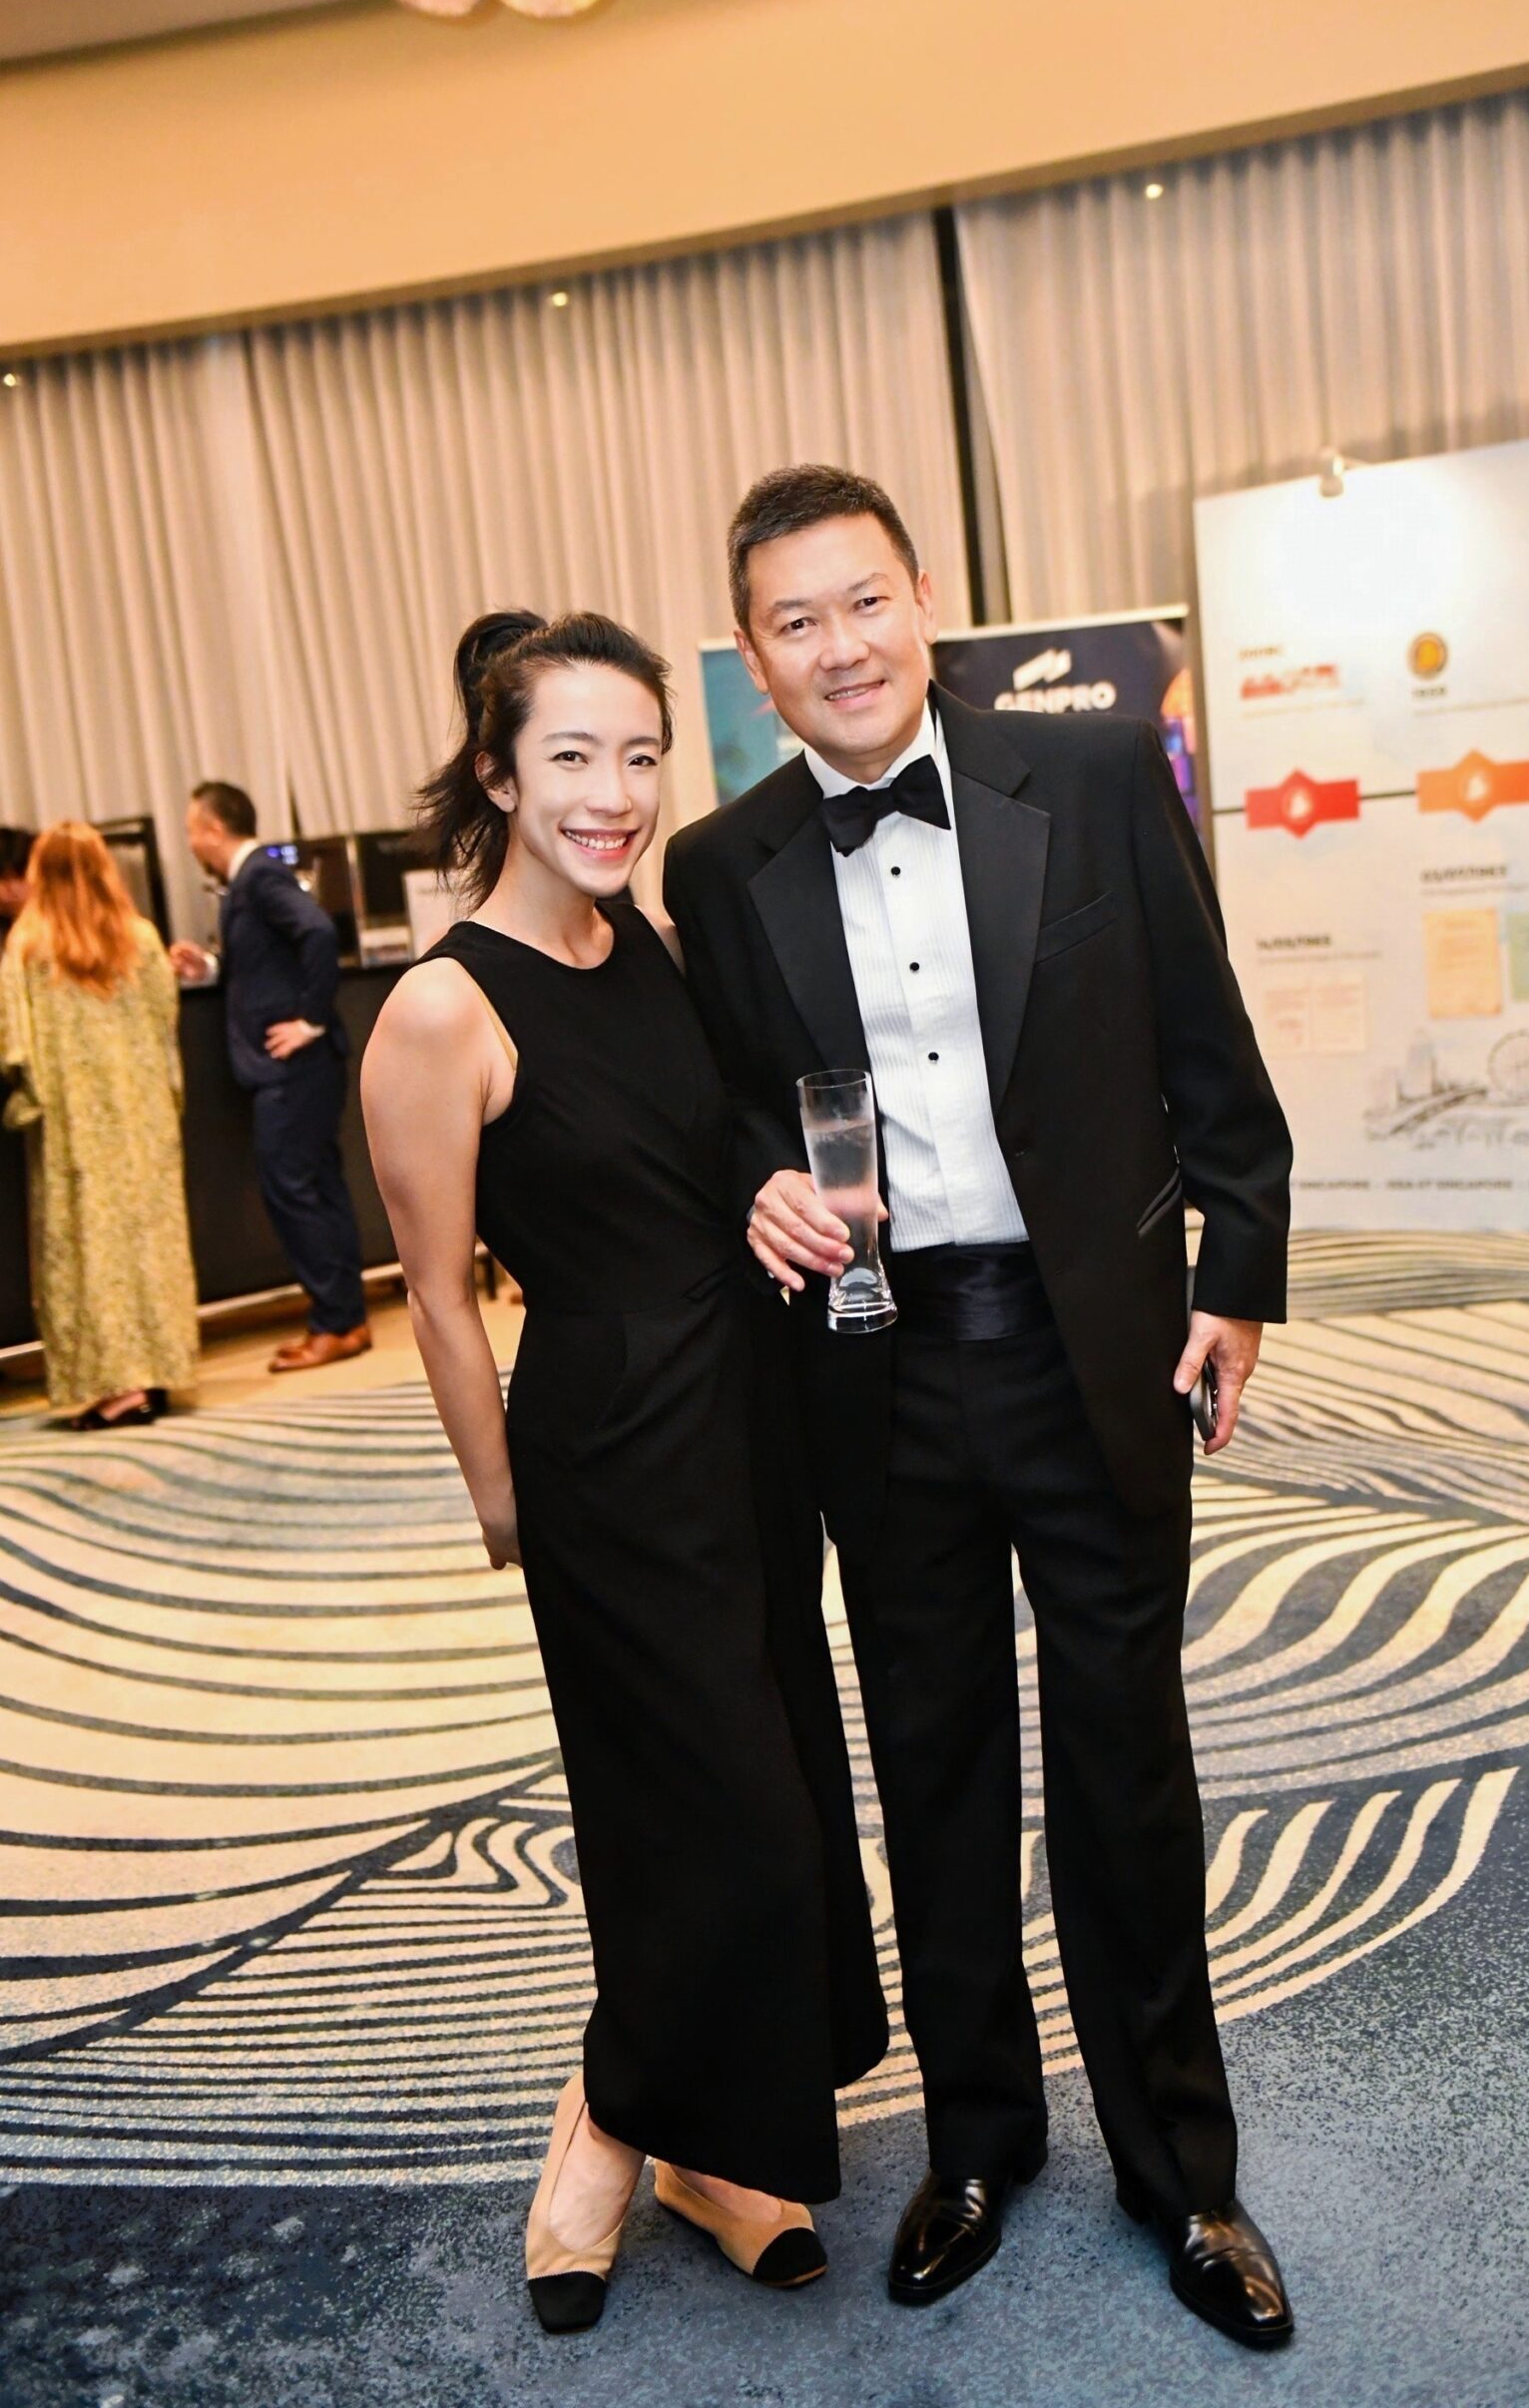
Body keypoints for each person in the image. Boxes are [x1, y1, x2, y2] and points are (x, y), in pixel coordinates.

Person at [663, 465, 1296, 2348]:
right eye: (794, 621)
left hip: (1091, 1345)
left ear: (922, 597)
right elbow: (723, 1110)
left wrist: (1236, 1275)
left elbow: (1208, 1045)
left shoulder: (1088, 777)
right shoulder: (717, 867)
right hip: (873, 1365)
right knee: (931, 1766)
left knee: (1125, 1761)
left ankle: (1182, 2174)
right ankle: (974, 2142)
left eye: (863, 601)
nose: (839, 646)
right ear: (754, 659)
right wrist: (750, 1184)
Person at [361, 610, 886, 2335]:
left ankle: (704, 2158)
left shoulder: (650, 946)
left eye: (641, 755)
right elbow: (437, 1295)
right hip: (603, 1449)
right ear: (498, 774)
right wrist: (501, 1502)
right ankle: (605, 2127)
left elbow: (722, 1143)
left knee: (764, 1790)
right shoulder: (440, 1007)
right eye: (572, 756)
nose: (613, 792)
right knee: (711, 1815)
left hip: (748, 1426)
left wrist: (774, 1190)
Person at [1, 822, 199, 1428]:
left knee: (89, 1252)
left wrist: (30, 1099)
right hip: (144, 1121)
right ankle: (154, 1374)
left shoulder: (29, 944)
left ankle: (117, 1387)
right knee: (151, 1244)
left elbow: (15, 1045)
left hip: (75, 1131)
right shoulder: (140, 938)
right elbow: (166, 1024)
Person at [170, 782, 370, 1372]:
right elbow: (267, 961)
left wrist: (310, 1019)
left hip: (294, 1068)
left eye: (192, 830)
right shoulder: (249, 882)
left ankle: (335, 1322)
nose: (190, 843)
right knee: (319, 1187)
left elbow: (318, 932)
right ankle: (347, 1318)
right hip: (302, 1069)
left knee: (293, 1190)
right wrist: (210, 965)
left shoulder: (258, 876)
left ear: (213, 829)